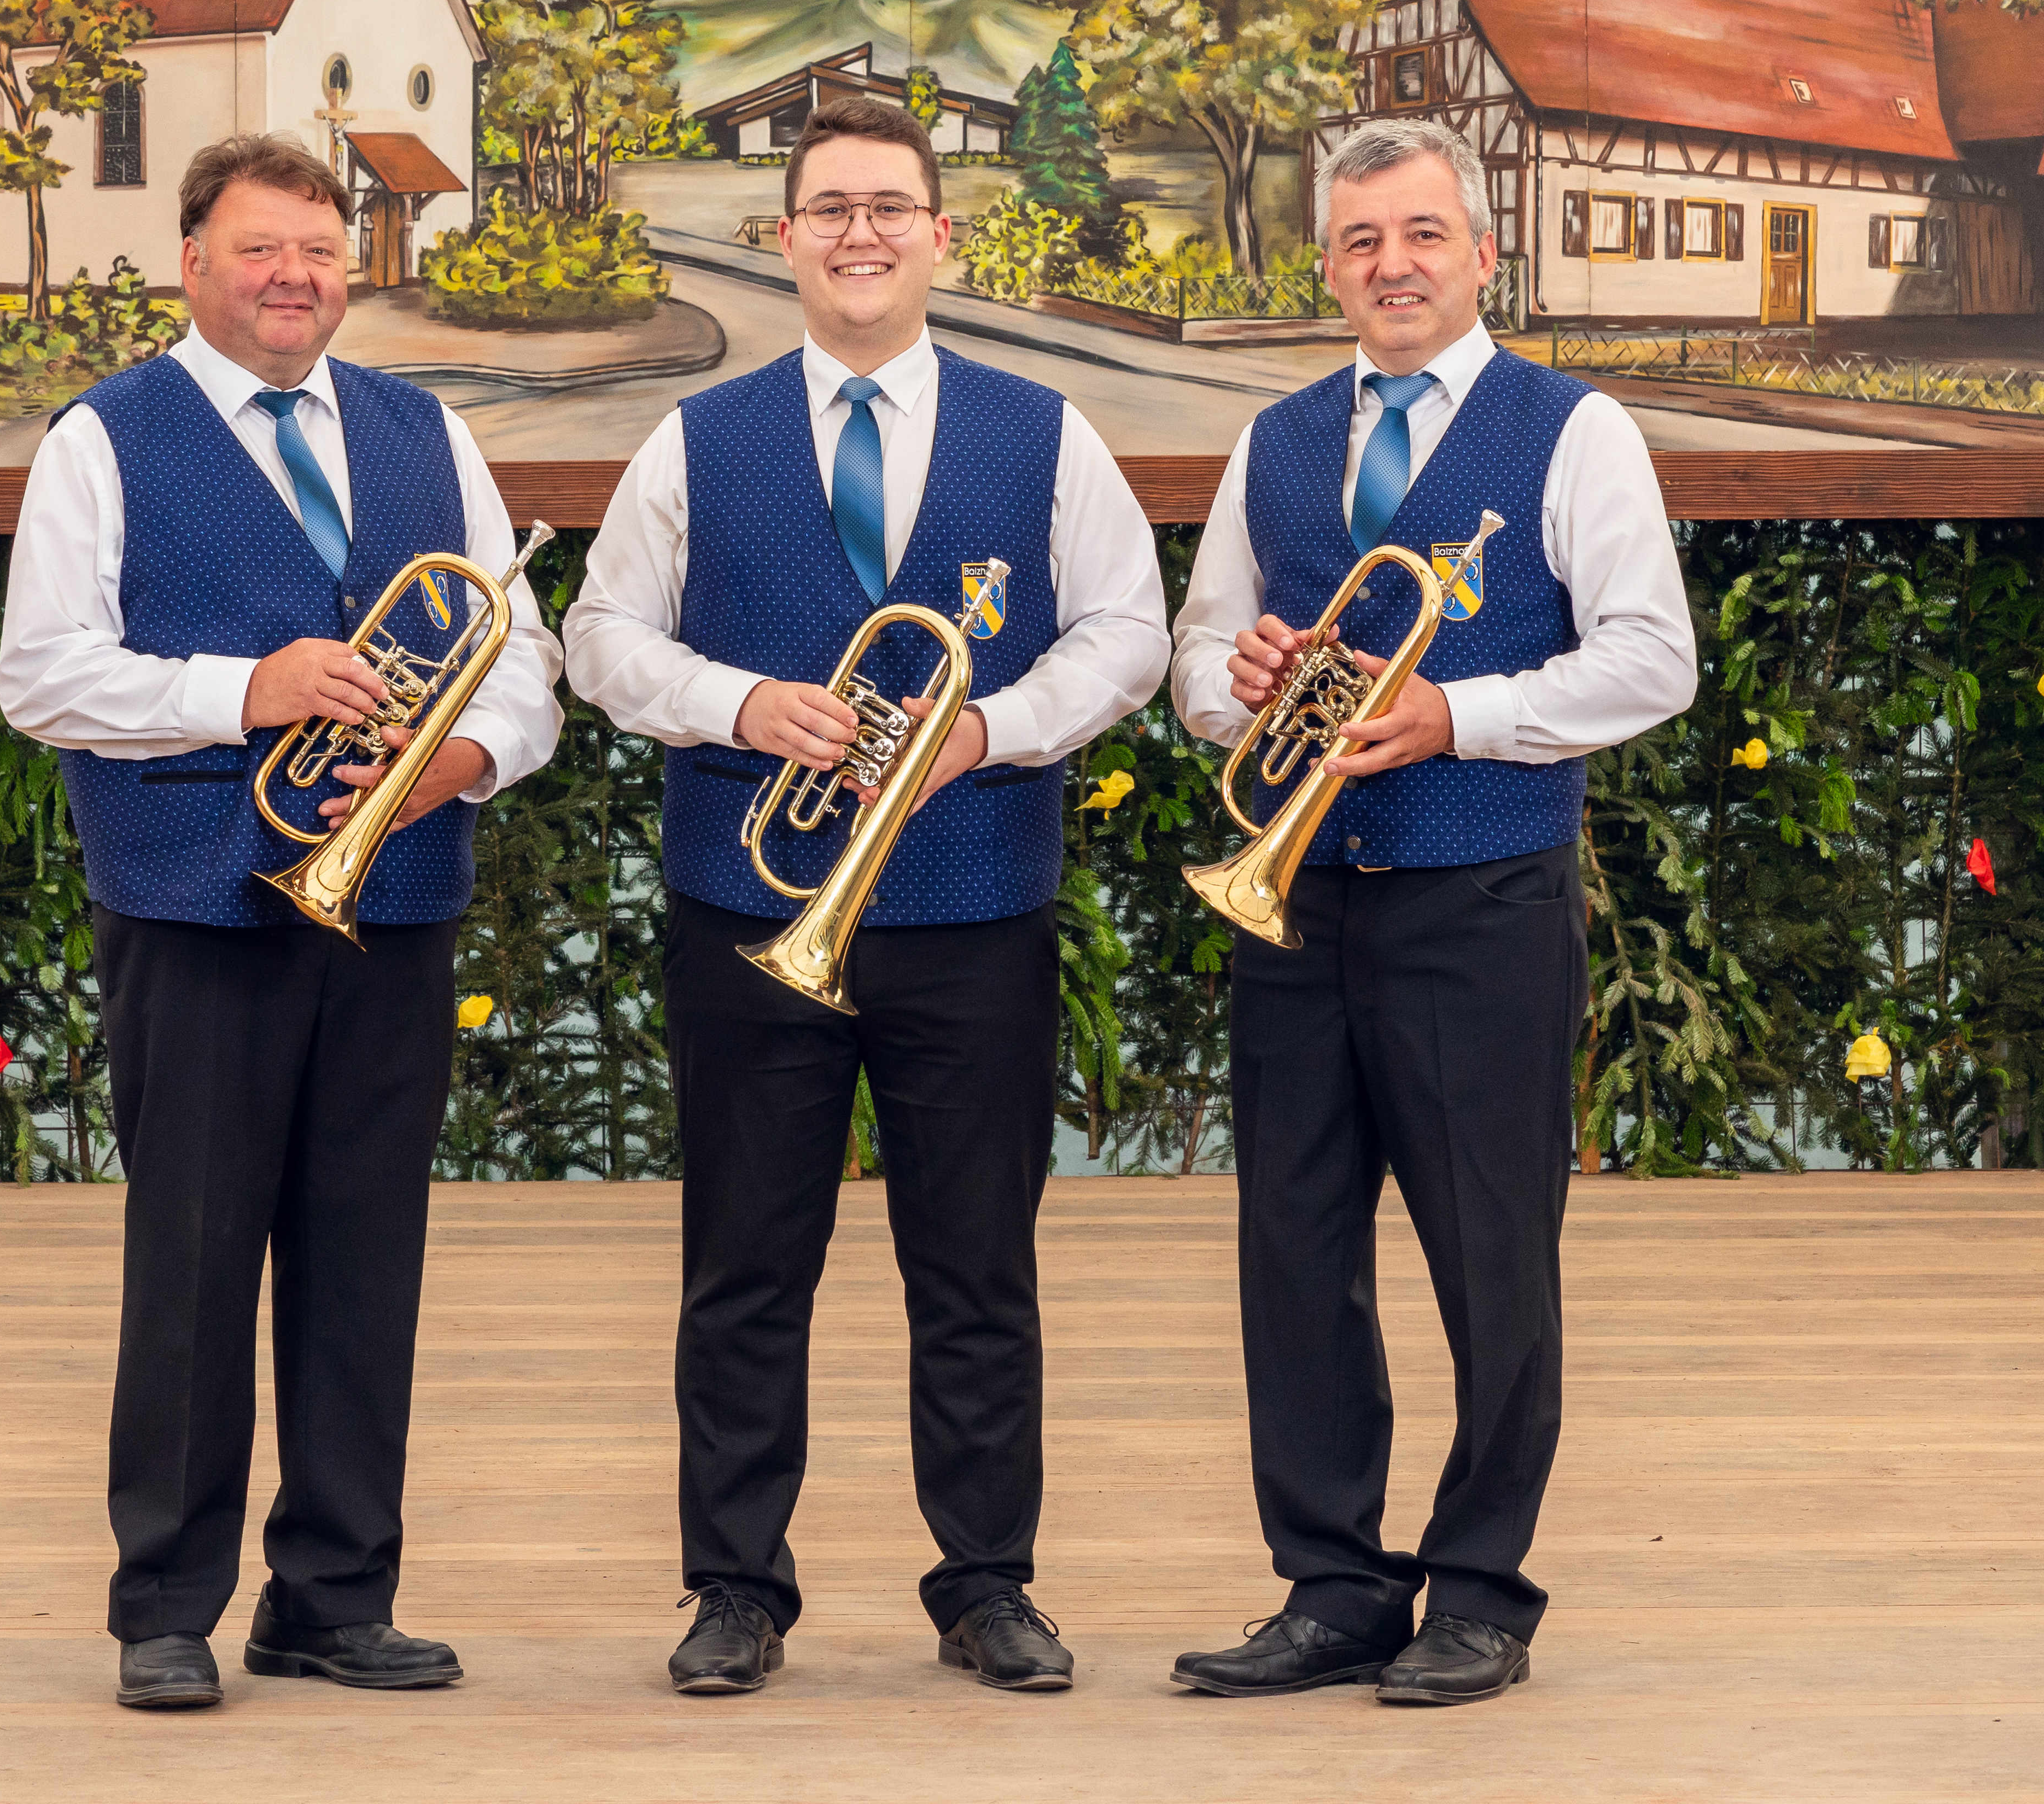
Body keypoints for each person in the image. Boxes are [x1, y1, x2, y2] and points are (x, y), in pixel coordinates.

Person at [564, 92, 1168, 1698]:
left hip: (971, 912)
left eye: (891, 206)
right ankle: (735, 1588)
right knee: (743, 1267)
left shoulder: (1046, 431)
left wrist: (994, 729)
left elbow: (1128, 632)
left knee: (976, 1270)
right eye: (830, 207)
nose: (861, 233)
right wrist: (737, 704)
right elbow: (600, 637)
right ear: (784, 238)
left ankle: (986, 1584)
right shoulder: (696, 437)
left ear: (941, 234)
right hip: (749, 909)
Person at [0, 133, 562, 1713]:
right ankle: (165, 1605)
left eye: (318, 251)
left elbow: (523, 661)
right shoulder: (103, 438)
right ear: (193, 263)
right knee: (192, 1261)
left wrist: (455, 762)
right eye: (260, 249)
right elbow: (41, 674)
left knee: (365, 1260)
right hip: (195, 906)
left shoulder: (428, 432)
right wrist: (244, 689)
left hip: (394, 902)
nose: (293, 277)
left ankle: (332, 1596)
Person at [1165, 116, 1695, 1709]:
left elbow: (1651, 657)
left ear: (1482, 253)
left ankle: (1479, 1591)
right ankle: (1333, 1586)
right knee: (1295, 1254)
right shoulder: (1273, 441)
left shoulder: (1574, 428)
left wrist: (1456, 714)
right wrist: (1243, 683)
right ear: (1327, 268)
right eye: (1360, 241)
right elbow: (1198, 658)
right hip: (1301, 905)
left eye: (1420, 235)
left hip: (1483, 900)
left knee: (1491, 1258)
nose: (1391, 266)